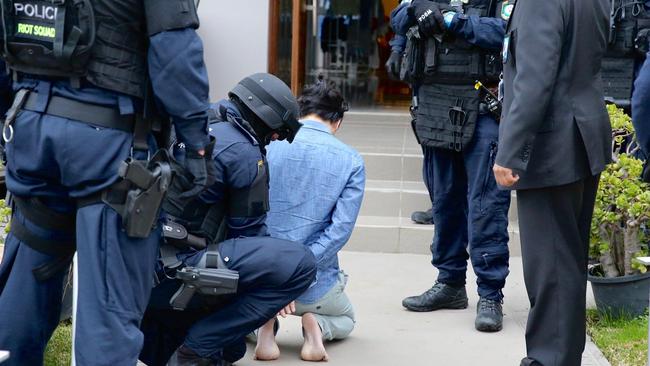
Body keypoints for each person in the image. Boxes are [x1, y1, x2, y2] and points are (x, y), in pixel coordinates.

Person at [0, 1, 216, 365]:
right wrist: (196, 144)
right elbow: (174, 50)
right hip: (110, 153)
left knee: (27, 284)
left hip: (32, 130)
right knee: (109, 310)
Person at [139, 73, 316, 366]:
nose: (274, 139)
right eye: (276, 132)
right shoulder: (245, 153)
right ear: (265, 118)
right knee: (298, 265)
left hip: (141, 267)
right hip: (177, 272)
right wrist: (273, 289)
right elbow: (249, 235)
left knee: (231, 350)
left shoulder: (192, 120)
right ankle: (193, 350)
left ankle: (186, 347)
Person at [493, 0, 611, 364]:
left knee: (551, 270)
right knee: (566, 265)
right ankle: (560, 356)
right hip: (580, 136)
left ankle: (549, 358)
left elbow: (534, 79)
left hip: (552, 145)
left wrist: (510, 150)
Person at [394, 0, 512, 332]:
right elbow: (398, 20)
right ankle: (450, 283)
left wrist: (450, 21)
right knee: (444, 202)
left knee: (486, 206)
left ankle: (490, 294)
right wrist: (417, 7)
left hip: (483, 107)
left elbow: (506, 31)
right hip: (434, 107)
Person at [255, 78, 364, 362]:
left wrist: (277, 278)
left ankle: (263, 326)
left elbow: (250, 215)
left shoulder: (268, 146)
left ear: (298, 113)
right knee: (346, 319)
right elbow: (339, 231)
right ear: (337, 121)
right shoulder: (351, 161)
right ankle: (318, 327)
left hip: (264, 278)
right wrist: (296, 273)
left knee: (241, 313)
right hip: (315, 284)